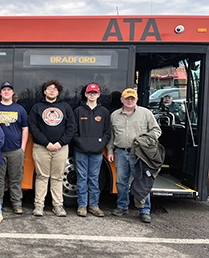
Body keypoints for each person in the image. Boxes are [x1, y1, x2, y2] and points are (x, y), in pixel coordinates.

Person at [107, 88, 161, 223]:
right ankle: (122, 206)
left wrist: (144, 140)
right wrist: (109, 151)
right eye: (127, 98)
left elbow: (156, 131)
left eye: (132, 98)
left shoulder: (146, 113)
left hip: (139, 153)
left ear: (137, 99)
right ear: (122, 100)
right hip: (120, 152)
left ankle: (144, 210)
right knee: (120, 182)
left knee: (141, 181)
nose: (129, 101)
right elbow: (111, 136)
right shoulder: (114, 115)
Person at [29, 79, 76, 217]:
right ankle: (39, 205)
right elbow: (33, 127)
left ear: (58, 92)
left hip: (61, 148)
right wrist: (46, 143)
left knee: (57, 177)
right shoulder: (37, 107)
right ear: (44, 91)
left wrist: (60, 143)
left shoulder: (65, 107)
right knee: (42, 176)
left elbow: (71, 127)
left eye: (54, 89)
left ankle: (58, 206)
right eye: (49, 88)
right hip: (41, 147)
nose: (51, 91)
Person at [0, 81, 29, 214]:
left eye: (9, 90)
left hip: (15, 150)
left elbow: (25, 129)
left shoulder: (20, 109)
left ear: (12, 93)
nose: (6, 92)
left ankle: (17, 204)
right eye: (4, 90)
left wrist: (22, 147)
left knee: (16, 179)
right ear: (0, 93)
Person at [73, 83, 111, 217]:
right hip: (80, 151)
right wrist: (80, 143)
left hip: (97, 152)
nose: (92, 95)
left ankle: (94, 206)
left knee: (94, 179)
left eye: (94, 93)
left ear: (99, 94)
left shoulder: (104, 112)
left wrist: (101, 145)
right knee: (82, 178)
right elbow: (74, 131)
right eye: (90, 93)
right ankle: (82, 205)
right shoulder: (78, 111)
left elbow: (107, 132)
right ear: (86, 94)